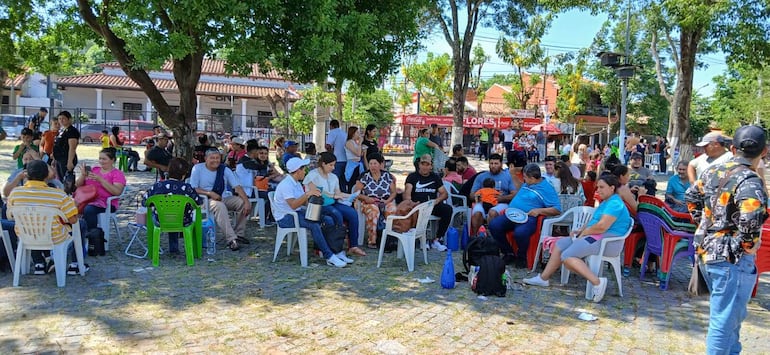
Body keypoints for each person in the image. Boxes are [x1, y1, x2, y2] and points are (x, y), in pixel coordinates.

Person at [685, 125, 768, 354]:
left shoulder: (714, 171)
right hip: (732, 259)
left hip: (708, 251)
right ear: (764, 152)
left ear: (732, 148)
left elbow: (691, 195)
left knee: (730, 319)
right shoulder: (750, 181)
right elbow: (751, 218)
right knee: (724, 322)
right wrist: (748, 246)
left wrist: (705, 224)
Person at [523, 173, 632, 303]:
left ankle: (597, 282)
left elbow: (602, 227)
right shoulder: (607, 202)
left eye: (602, 187)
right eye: (597, 187)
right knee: (561, 244)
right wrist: (580, 230)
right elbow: (594, 220)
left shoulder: (615, 204)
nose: (598, 190)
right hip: (595, 236)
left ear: (612, 188)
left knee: (567, 257)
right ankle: (543, 278)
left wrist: (585, 232)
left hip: (607, 241)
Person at [6, 160, 87, 275]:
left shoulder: (15, 193)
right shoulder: (58, 195)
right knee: (81, 224)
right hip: (54, 237)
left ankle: (39, 263)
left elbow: (11, 216)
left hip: (26, 236)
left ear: (26, 175)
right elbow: (73, 220)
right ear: (46, 176)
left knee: (32, 224)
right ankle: (75, 264)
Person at [274, 157, 349, 267]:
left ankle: (333, 250)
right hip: (285, 217)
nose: (305, 171)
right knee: (314, 225)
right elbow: (293, 205)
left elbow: (303, 202)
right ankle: (329, 256)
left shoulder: (296, 183)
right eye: (304, 169)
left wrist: (315, 199)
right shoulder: (286, 185)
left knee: (327, 219)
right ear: (298, 170)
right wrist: (308, 194)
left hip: (296, 213)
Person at [488, 164, 561, 268]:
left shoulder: (547, 189)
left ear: (532, 178)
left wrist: (539, 210)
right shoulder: (528, 184)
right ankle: (508, 253)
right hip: (512, 214)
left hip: (528, 217)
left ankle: (522, 257)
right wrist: (513, 175)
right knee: (494, 225)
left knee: (520, 233)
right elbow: (519, 185)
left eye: (525, 177)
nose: (524, 179)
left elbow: (557, 209)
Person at [303, 152, 364, 257]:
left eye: (334, 165)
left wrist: (350, 196)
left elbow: (338, 193)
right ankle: (335, 247)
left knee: (352, 213)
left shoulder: (333, 177)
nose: (333, 167)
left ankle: (353, 245)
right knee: (336, 214)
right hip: (319, 205)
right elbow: (316, 193)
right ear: (323, 164)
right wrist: (333, 196)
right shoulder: (313, 176)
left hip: (333, 202)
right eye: (331, 165)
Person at [190, 148, 252, 251]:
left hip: (222, 197)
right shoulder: (198, 169)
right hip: (204, 200)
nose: (215, 160)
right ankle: (231, 239)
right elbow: (193, 188)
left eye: (217, 158)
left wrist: (246, 201)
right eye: (212, 158)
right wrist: (209, 193)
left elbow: (237, 186)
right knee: (219, 206)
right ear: (206, 159)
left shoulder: (224, 169)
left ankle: (238, 234)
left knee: (241, 203)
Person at [143, 158, 203, 256]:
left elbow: (145, 202)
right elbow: (198, 202)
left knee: (169, 214)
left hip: (161, 220)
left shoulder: (157, 186)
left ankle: (161, 251)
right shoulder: (187, 188)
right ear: (184, 174)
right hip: (183, 220)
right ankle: (183, 250)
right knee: (177, 215)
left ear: (168, 171)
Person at [403, 154, 452, 251]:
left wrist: (436, 201)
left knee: (447, 210)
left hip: (432, 205)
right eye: (423, 164)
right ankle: (423, 240)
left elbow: (444, 194)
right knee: (418, 210)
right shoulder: (412, 177)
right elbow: (407, 193)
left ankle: (437, 239)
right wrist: (411, 202)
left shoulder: (435, 177)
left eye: (427, 164)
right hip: (418, 205)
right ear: (419, 165)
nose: (425, 167)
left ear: (431, 166)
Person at [75, 148, 126, 236]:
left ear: (112, 160)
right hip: (88, 199)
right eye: (100, 158)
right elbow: (78, 185)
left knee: (89, 209)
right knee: (68, 207)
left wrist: (101, 180)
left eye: (104, 159)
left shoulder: (117, 174)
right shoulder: (95, 170)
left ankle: (92, 235)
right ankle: (75, 236)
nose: (101, 161)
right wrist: (83, 175)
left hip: (106, 203)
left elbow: (117, 192)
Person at [353, 153, 397, 249]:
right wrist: (366, 198)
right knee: (374, 211)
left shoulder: (387, 176)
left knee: (392, 209)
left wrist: (387, 201)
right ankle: (372, 240)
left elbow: (393, 193)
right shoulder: (364, 176)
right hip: (369, 202)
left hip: (385, 201)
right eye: (371, 163)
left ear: (381, 164)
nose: (373, 166)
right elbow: (356, 193)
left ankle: (388, 238)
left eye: (375, 163)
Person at [469, 153, 516, 236]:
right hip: (482, 202)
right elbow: (471, 194)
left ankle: (493, 239)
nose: (493, 166)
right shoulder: (481, 176)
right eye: (491, 163)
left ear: (501, 164)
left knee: (492, 212)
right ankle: (475, 239)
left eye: (496, 163)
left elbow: (514, 194)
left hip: (501, 203)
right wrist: (479, 197)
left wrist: (502, 198)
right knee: (477, 214)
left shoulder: (508, 177)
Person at [52, 111, 80, 181]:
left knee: (66, 179)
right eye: (59, 119)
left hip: (66, 158)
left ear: (69, 119)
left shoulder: (72, 131)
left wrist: (70, 161)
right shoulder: (62, 130)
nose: (61, 120)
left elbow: (72, 147)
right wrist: (54, 159)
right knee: (61, 179)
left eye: (63, 118)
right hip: (59, 158)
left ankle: (69, 191)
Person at [344, 126, 364, 193]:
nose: (359, 134)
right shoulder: (349, 142)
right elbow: (357, 154)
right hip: (352, 165)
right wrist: (360, 143)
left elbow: (360, 154)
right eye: (357, 132)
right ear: (353, 133)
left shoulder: (355, 142)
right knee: (352, 183)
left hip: (358, 164)